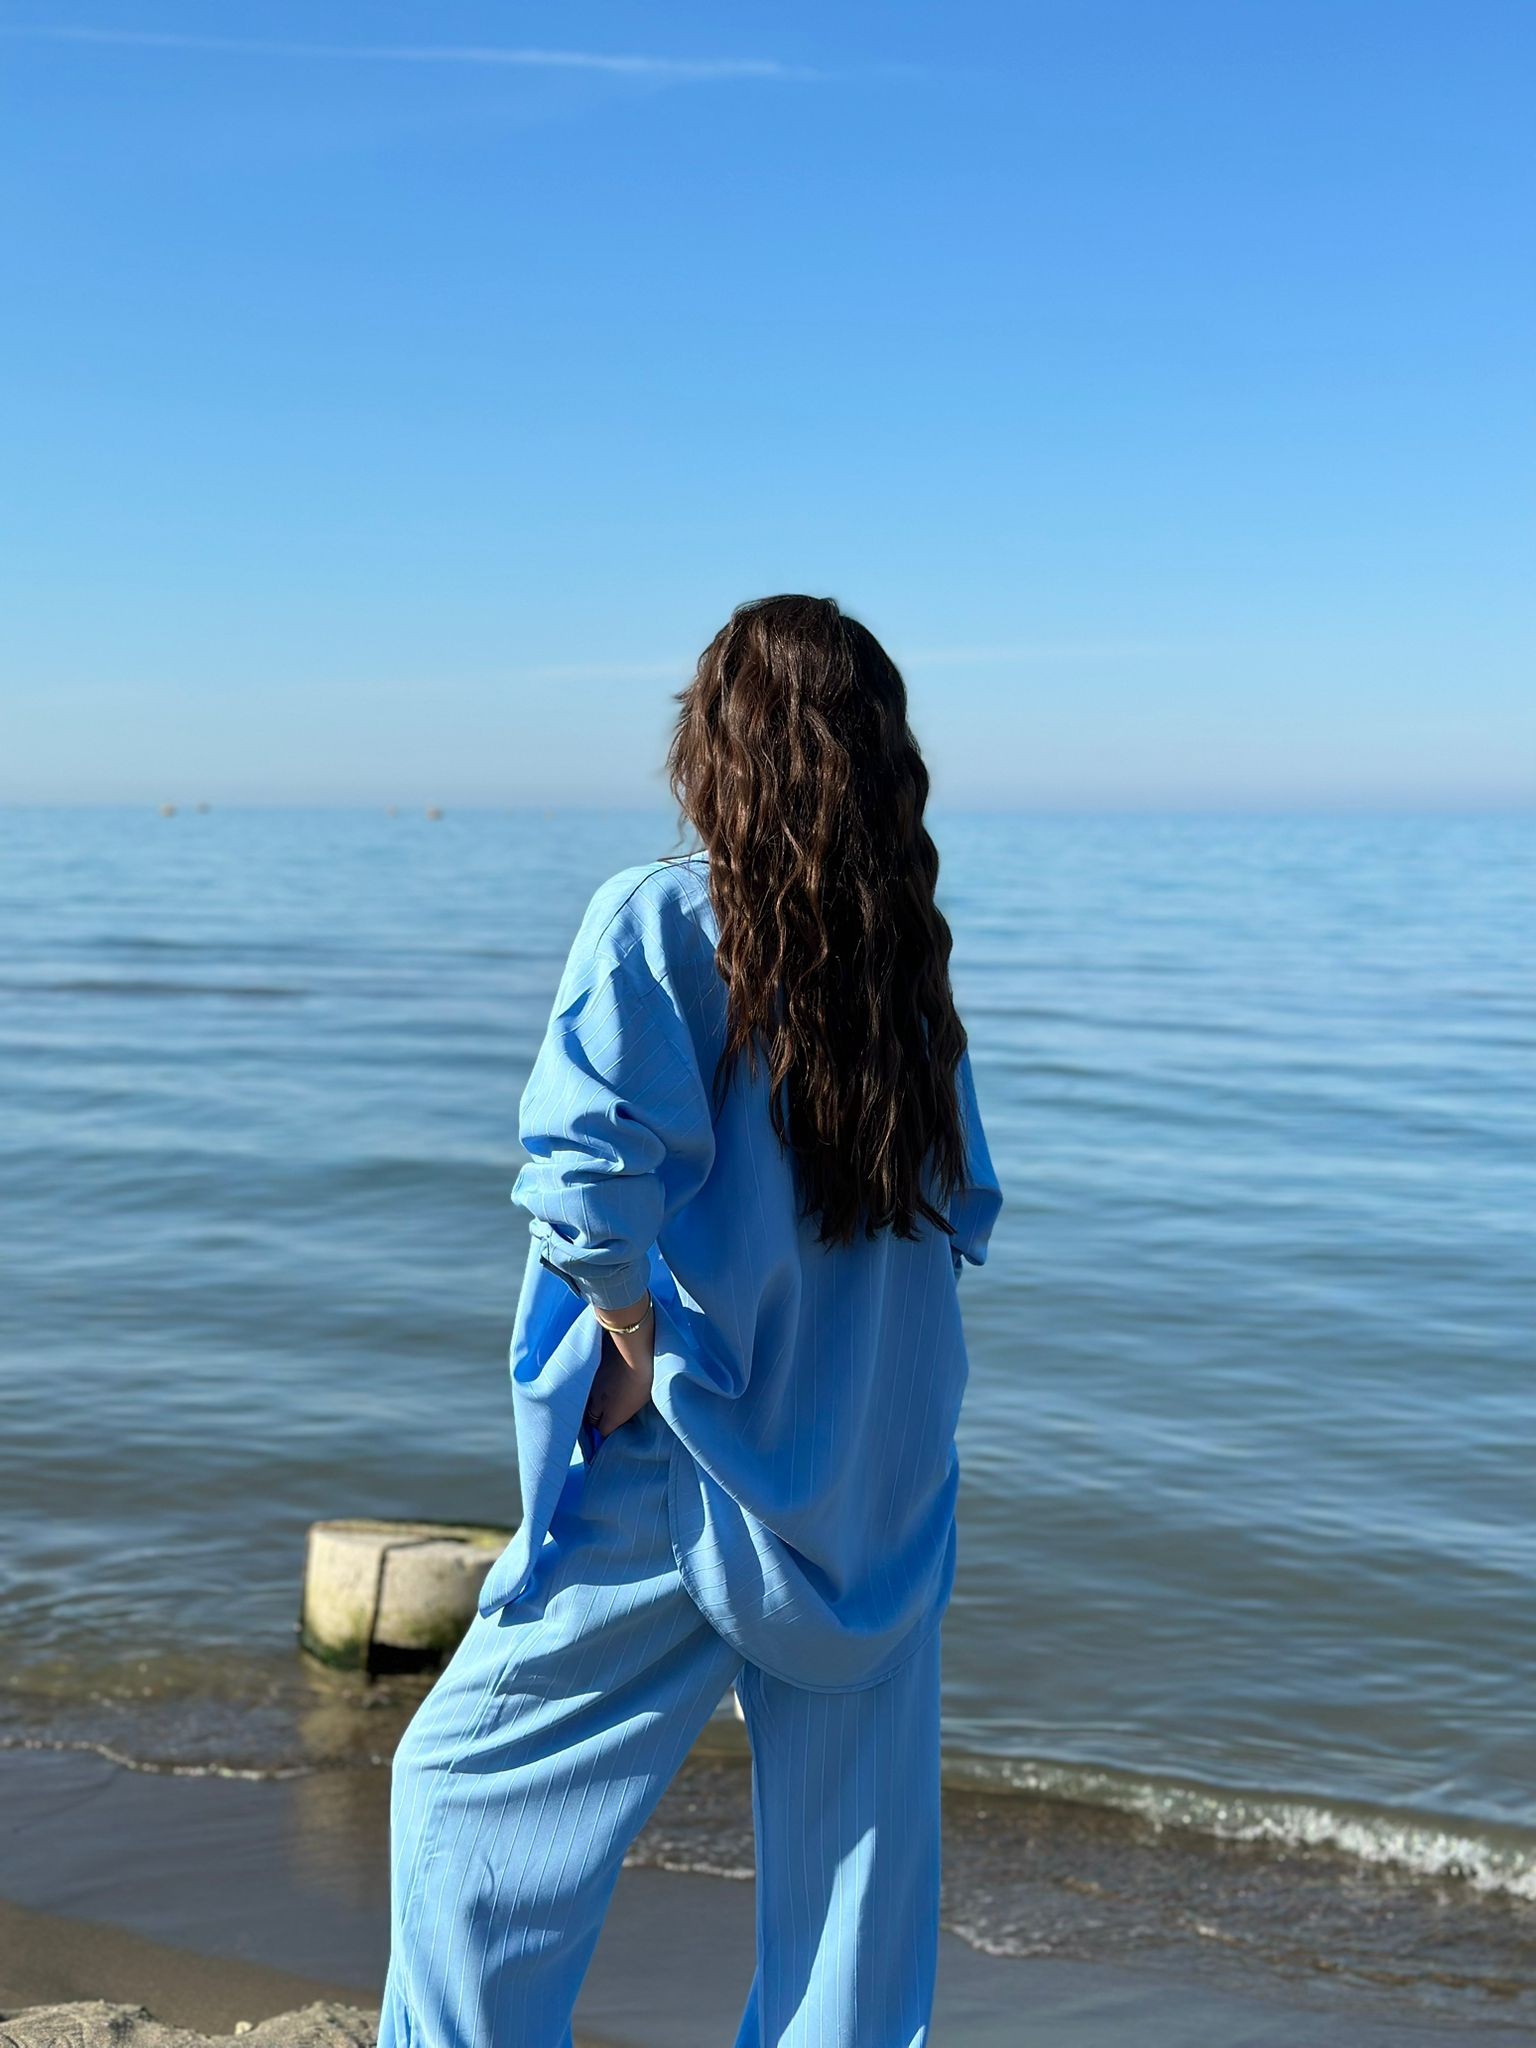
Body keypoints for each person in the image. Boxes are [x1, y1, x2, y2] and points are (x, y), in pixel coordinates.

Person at [379, 594, 1003, 2047]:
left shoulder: (667, 916)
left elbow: (587, 1171)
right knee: (854, 1910)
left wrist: (629, 1329)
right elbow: (966, 1206)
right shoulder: (905, 970)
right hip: (881, 1475)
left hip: (700, 1465)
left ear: (718, 747)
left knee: (463, 1808)